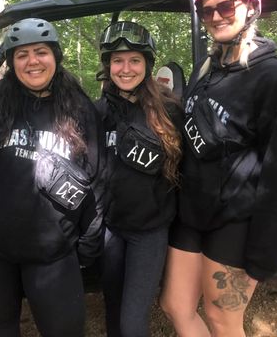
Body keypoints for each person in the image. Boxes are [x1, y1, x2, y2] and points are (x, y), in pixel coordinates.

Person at [159, 0, 277, 336]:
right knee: (175, 305)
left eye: (226, 6)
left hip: (236, 220)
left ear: (251, 9)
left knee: (222, 318)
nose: (216, 17)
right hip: (193, 213)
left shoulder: (272, 78)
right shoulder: (207, 70)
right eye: (207, 12)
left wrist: (265, 251)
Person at [0, 17, 104, 337]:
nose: (32, 61)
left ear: (55, 56)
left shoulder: (78, 108)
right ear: (11, 62)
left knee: (65, 329)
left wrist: (89, 239)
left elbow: (95, 179)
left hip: (54, 249)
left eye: (41, 52)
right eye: (22, 55)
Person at [94, 21, 183, 337]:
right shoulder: (99, 111)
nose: (125, 68)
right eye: (118, 60)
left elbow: (190, 171)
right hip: (111, 230)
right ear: (108, 65)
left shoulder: (170, 109)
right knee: (113, 312)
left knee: (132, 324)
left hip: (149, 232)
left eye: (134, 60)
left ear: (147, 63)